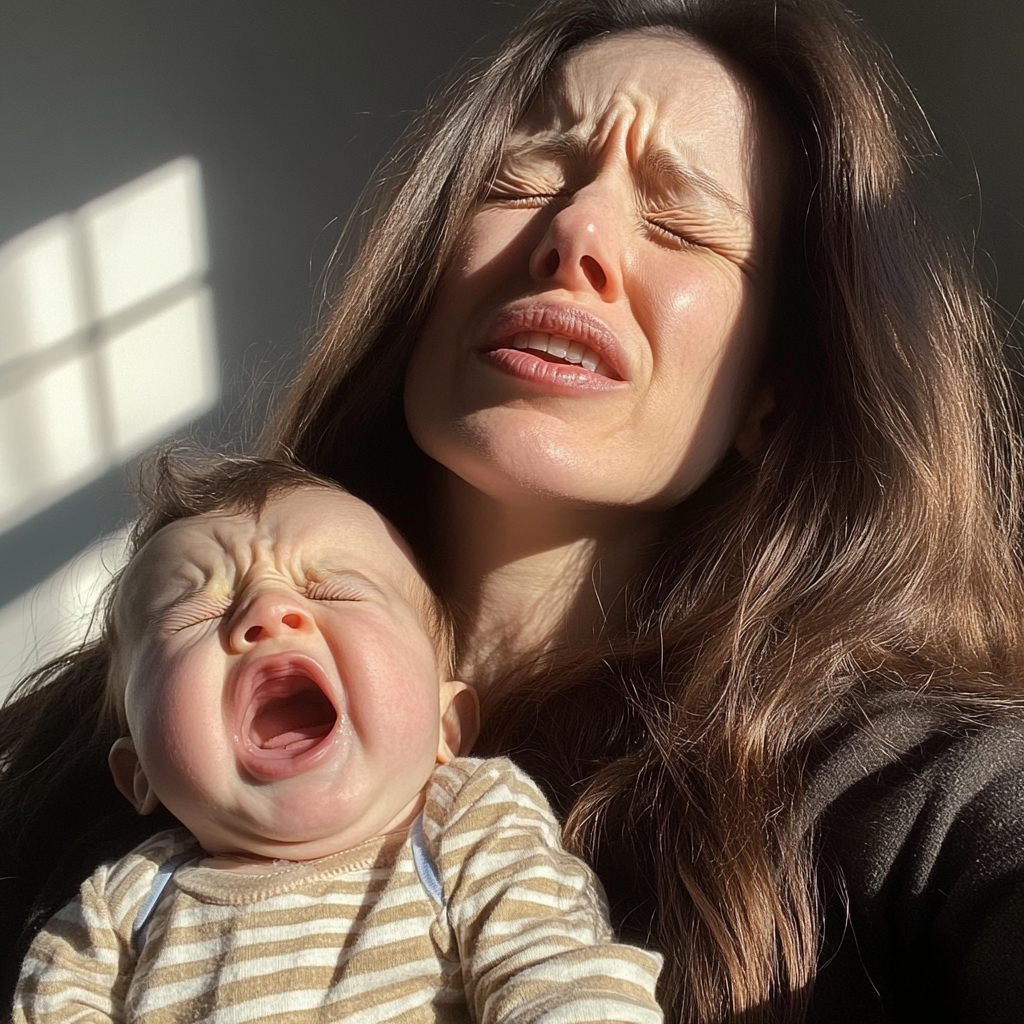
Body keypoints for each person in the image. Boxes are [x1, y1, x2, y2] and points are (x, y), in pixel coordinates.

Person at [2, 0, 1023, 1021]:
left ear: (772, 393)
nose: (575, 233)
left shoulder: (903, 788)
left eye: (677, 220)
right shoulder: (81, 755)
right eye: (518, 178)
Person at [11, 450, 664, 1024]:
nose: (267, 612)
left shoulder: (466, 824)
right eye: (197, 609)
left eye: (335, 590)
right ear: (138, 773)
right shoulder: (121, 906)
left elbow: (558, 974)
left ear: (446, 726)